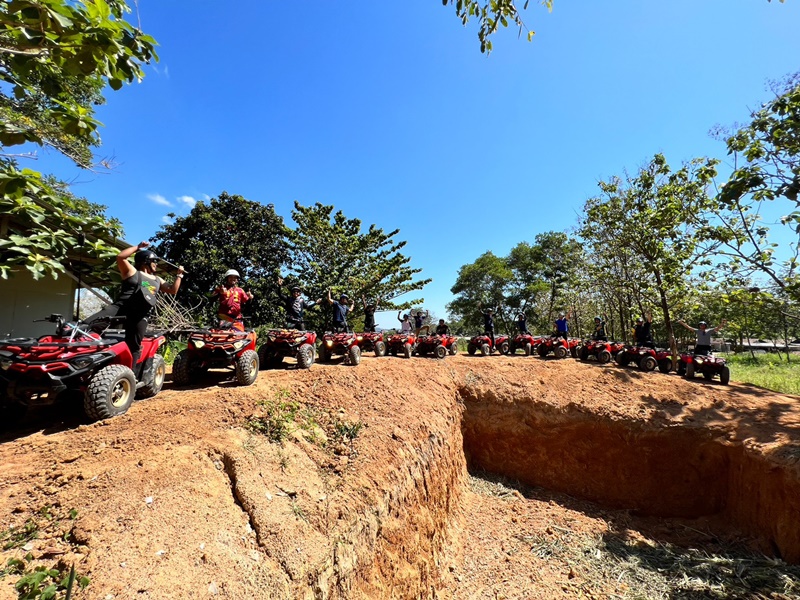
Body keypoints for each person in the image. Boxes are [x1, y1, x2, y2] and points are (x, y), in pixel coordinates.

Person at [85, 241, 184, 374]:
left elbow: (173, 290)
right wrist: (138, 247)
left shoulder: (157, 280)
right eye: (154, 261)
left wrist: (179, 275)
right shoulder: (132, 272)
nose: (156, 264)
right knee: (87, 326)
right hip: (120, 308)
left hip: (140, 315)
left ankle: (131, 375)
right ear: (145, 261)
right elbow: (120, 257)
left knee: (134, 346)